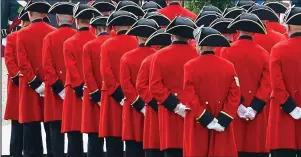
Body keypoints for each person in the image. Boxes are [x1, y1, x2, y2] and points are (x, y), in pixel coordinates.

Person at [183, 26, 240, 157]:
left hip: (198, 120)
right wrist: (225, 118)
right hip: (221, 117)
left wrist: (204, 117)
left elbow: (190, 95)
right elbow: (235, 94)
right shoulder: (228, 66)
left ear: (200, 46)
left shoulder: (190, 66)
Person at [221, 13, 271, 157]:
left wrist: (239, 105)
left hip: (233, 110)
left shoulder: (226, 51)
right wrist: (254, 108)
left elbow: (226, 81)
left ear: (237, 30)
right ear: (255, 32)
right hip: (257, 114)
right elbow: (267, 84)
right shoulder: (263, 53)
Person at [149, 16, 197, 157]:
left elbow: (155, 86)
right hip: (194, 109)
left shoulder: (159, 55)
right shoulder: (196, 54)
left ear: (171, 35)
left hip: (170, 111)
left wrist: (175, 106)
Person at [16, 1, 56, 157]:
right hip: (50, 85)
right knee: (51, 128)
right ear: (45, 15)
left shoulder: (21, 34)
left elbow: (23, 62)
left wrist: (34, 82)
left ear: (29, 15)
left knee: (31, 131)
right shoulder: (53, 31)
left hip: (30, 86)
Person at [62, 3, 100, 157]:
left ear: (76, 20)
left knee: (73, 135)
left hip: (75, 92)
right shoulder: (97, 41)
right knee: (95, 134)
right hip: (94, 90)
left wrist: (79, 88)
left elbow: (72, 70)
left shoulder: (69, 43)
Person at [99, 10, 138, 157]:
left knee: (113, 142)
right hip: (134, 97)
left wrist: (119, 95)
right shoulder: (137, 43)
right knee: (134, 140)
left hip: (112, 98)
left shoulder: (106, 45)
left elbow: (106, 73)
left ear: (113, 27)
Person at [120, 18, 159, 157]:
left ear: (136, 36)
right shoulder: (157, 56)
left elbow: (126, 85)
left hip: (133, 108)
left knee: (133, 149)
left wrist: (139, 104)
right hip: (154, 107)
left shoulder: (127, 57)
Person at [42, 2, 76, 157]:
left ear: (57, 18)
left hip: (56, 91)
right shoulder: (77, 36)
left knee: (56, 131)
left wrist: (58, 88)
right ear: (72, 19)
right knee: (75, 132)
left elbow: (47, 66)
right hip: (74, 89)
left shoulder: (49, 38)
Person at [268, 6, 301, 157]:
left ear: (287, 27)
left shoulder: (278, 49)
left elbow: (276, 84)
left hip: (283, 115)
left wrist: (291, 108)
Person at [138, 28, 172, 157]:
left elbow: (141, 86)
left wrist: (156, 103)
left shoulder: (149, 60)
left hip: (155, 107)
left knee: (155, 147)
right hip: (172, 107)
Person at [81, 15, 111, 157]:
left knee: (94, 138)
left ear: (95, 29)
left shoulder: (89, 46)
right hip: (112, 96)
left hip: (95, 97)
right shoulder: (113, 44)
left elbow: (88, 74)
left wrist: (95, 95)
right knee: (113, 138)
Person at [4, 7, 30, 157]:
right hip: (20, 83)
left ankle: (17, 151)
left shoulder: (14, 36)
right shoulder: (14, 37)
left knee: (21, 122)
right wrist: (19, 76)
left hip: (20, 82)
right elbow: (9, 60)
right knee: (19, 121)